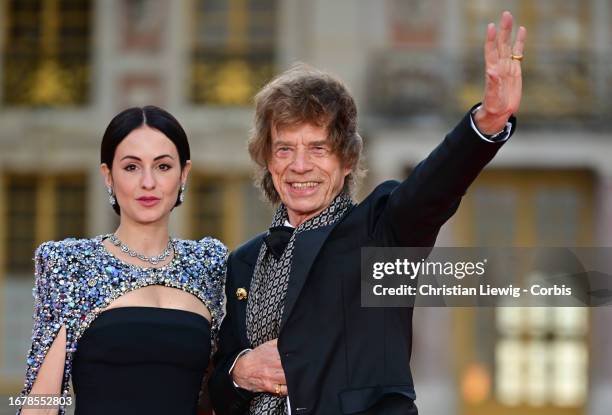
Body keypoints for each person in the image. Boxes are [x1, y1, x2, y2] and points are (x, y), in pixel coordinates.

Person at [209, 11, 526, 415]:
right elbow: (218, 390)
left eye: (318, 149)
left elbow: (434, 186)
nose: (299, 165)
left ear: (346, 161)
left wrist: (488, 121)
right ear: (268, 161)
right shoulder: (244, 261)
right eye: (284, 148)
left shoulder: (381, 230)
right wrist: (239, 372)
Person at [17, 106, 227, 415]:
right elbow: (42, 403)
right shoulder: (71, 264)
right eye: (131, 167)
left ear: (184, 173)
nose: (148, 182)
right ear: (108, 176)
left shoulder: (208, 264)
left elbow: (213, 392)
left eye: (163, 166)